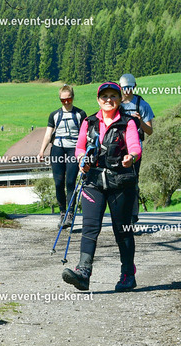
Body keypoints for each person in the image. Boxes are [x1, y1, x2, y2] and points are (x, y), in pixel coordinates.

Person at [62, 82, 141, 292]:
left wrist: (131, 157)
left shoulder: (128, 123)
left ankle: (128, 274)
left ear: (119, 99)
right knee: (89, 227)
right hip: (93, 182)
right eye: (104, 96)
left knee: (122, 229)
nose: (108, 99)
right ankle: (83, 273)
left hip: (120, 182)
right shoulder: (89, 122)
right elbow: (79, 147)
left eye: (113, 96)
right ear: (98, 100)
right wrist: (82, 159)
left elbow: (135, 146)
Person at [38, 85, 87, 228]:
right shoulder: (54, 115)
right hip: (57, 149)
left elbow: (85, 134)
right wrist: (42, 151)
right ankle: (62, 213)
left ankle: (70, 214)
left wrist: (85, 152)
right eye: (63, 100)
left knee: (70, 182)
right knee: (58, 183)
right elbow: (48, 134)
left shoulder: (80, 114)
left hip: (73, 149)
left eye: (69, 99)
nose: (66, 102)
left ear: (73, 97)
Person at [119, 73, 155, 224]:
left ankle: (133, 215)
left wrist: (140, 122)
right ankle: (121, 213)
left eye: (129, 87)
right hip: (118, 146)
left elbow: (150, 131)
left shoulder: (142, 105)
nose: (127, 91)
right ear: (120, 87)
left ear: (134, 87)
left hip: (135, 147)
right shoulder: (116, 104)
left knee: (133, 179)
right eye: (124, 88)